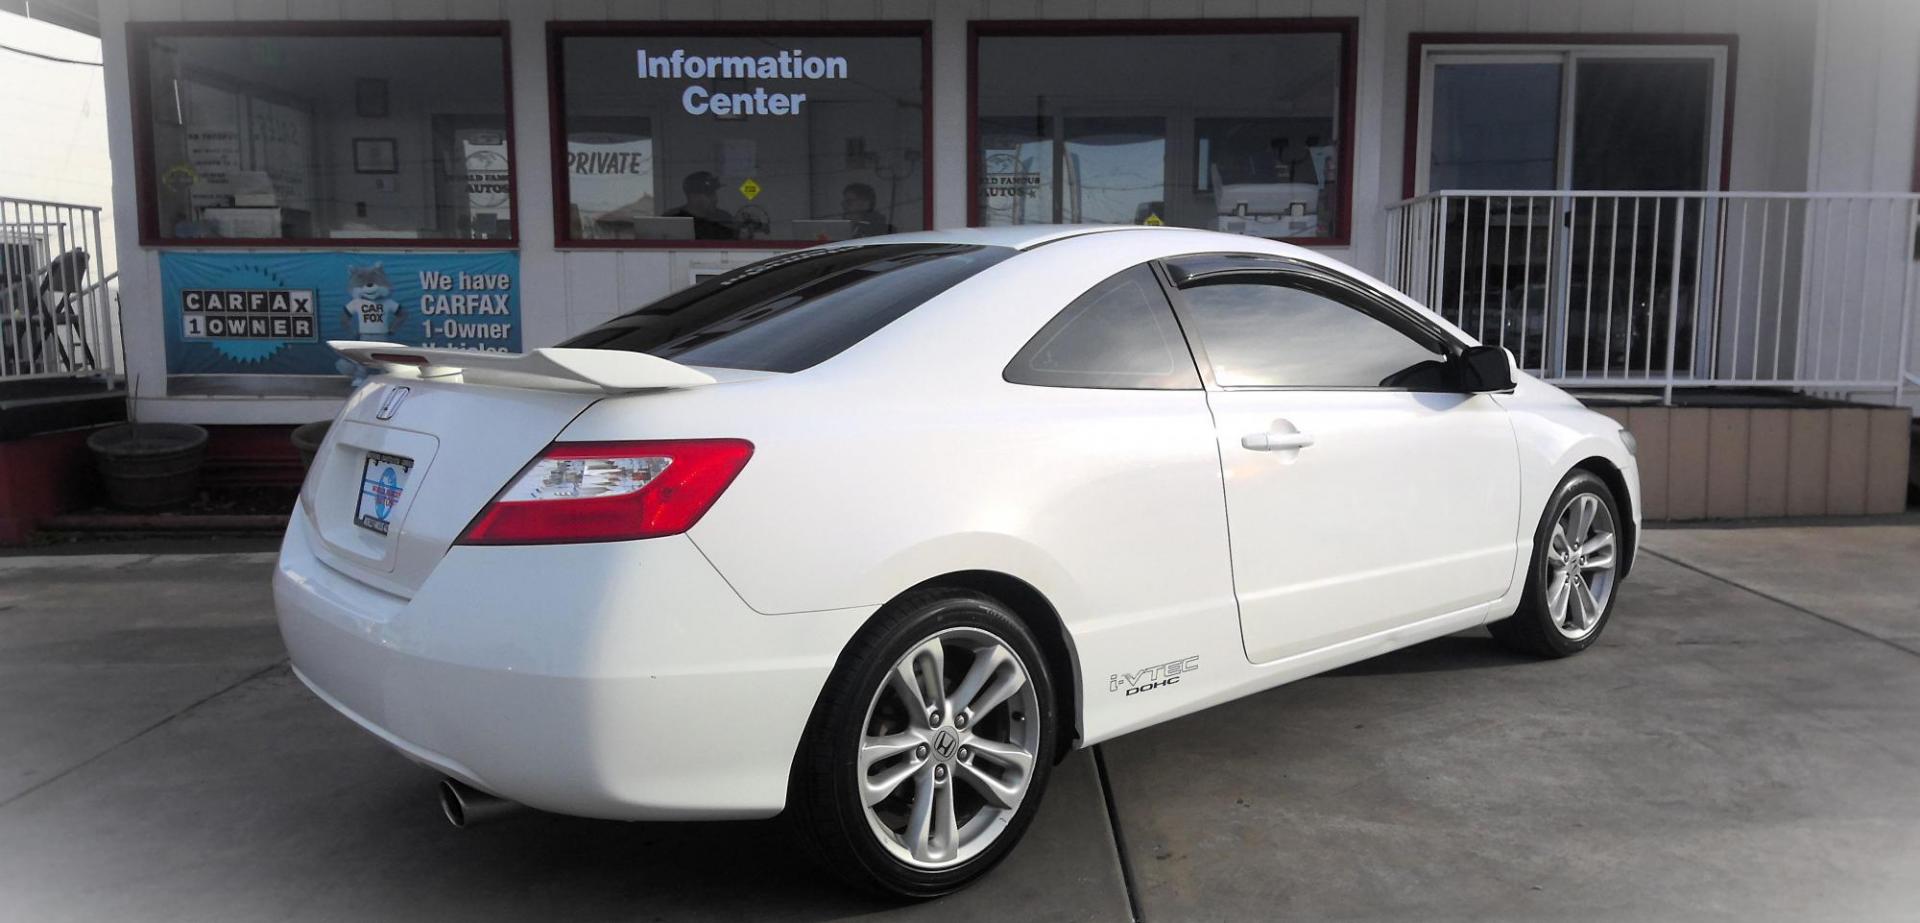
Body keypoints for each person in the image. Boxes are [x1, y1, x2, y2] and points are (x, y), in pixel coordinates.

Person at [663, 171, 737, 240]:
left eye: (714, 193)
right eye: (709, 194)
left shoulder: (724, 218)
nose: (715, 199)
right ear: (693, 197)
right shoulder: (672, 219)